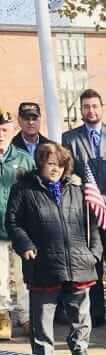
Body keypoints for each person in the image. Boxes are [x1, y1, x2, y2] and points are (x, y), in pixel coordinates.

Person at [5, 142, 101, 355]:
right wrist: (25, 245)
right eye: (50, 164)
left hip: (79, 263)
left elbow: (92, 223)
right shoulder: (24, 188)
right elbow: (12, 221)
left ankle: (80, 351)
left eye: (59, 164)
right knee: (42, 320)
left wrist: (94, 252)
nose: (55, 169)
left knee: (81, 316)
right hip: (43, 264)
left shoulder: (77, 188)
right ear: (40, 164)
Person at [62, 89, 106, 327]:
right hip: (85, 213)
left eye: (94, 106)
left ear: (102, 108)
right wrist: (88, 195)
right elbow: (67, 171)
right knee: (92, 264)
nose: (91, 110)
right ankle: (96, 313)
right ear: (81, 110)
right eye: (86, 106)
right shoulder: (69, 139)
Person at [0, 109, 34, 339]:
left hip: (20, 227)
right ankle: (2, 316)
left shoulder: (23, 158)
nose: (0, 134)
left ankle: (27, 317)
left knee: (25, 276)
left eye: (4, 129)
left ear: (13, 130)